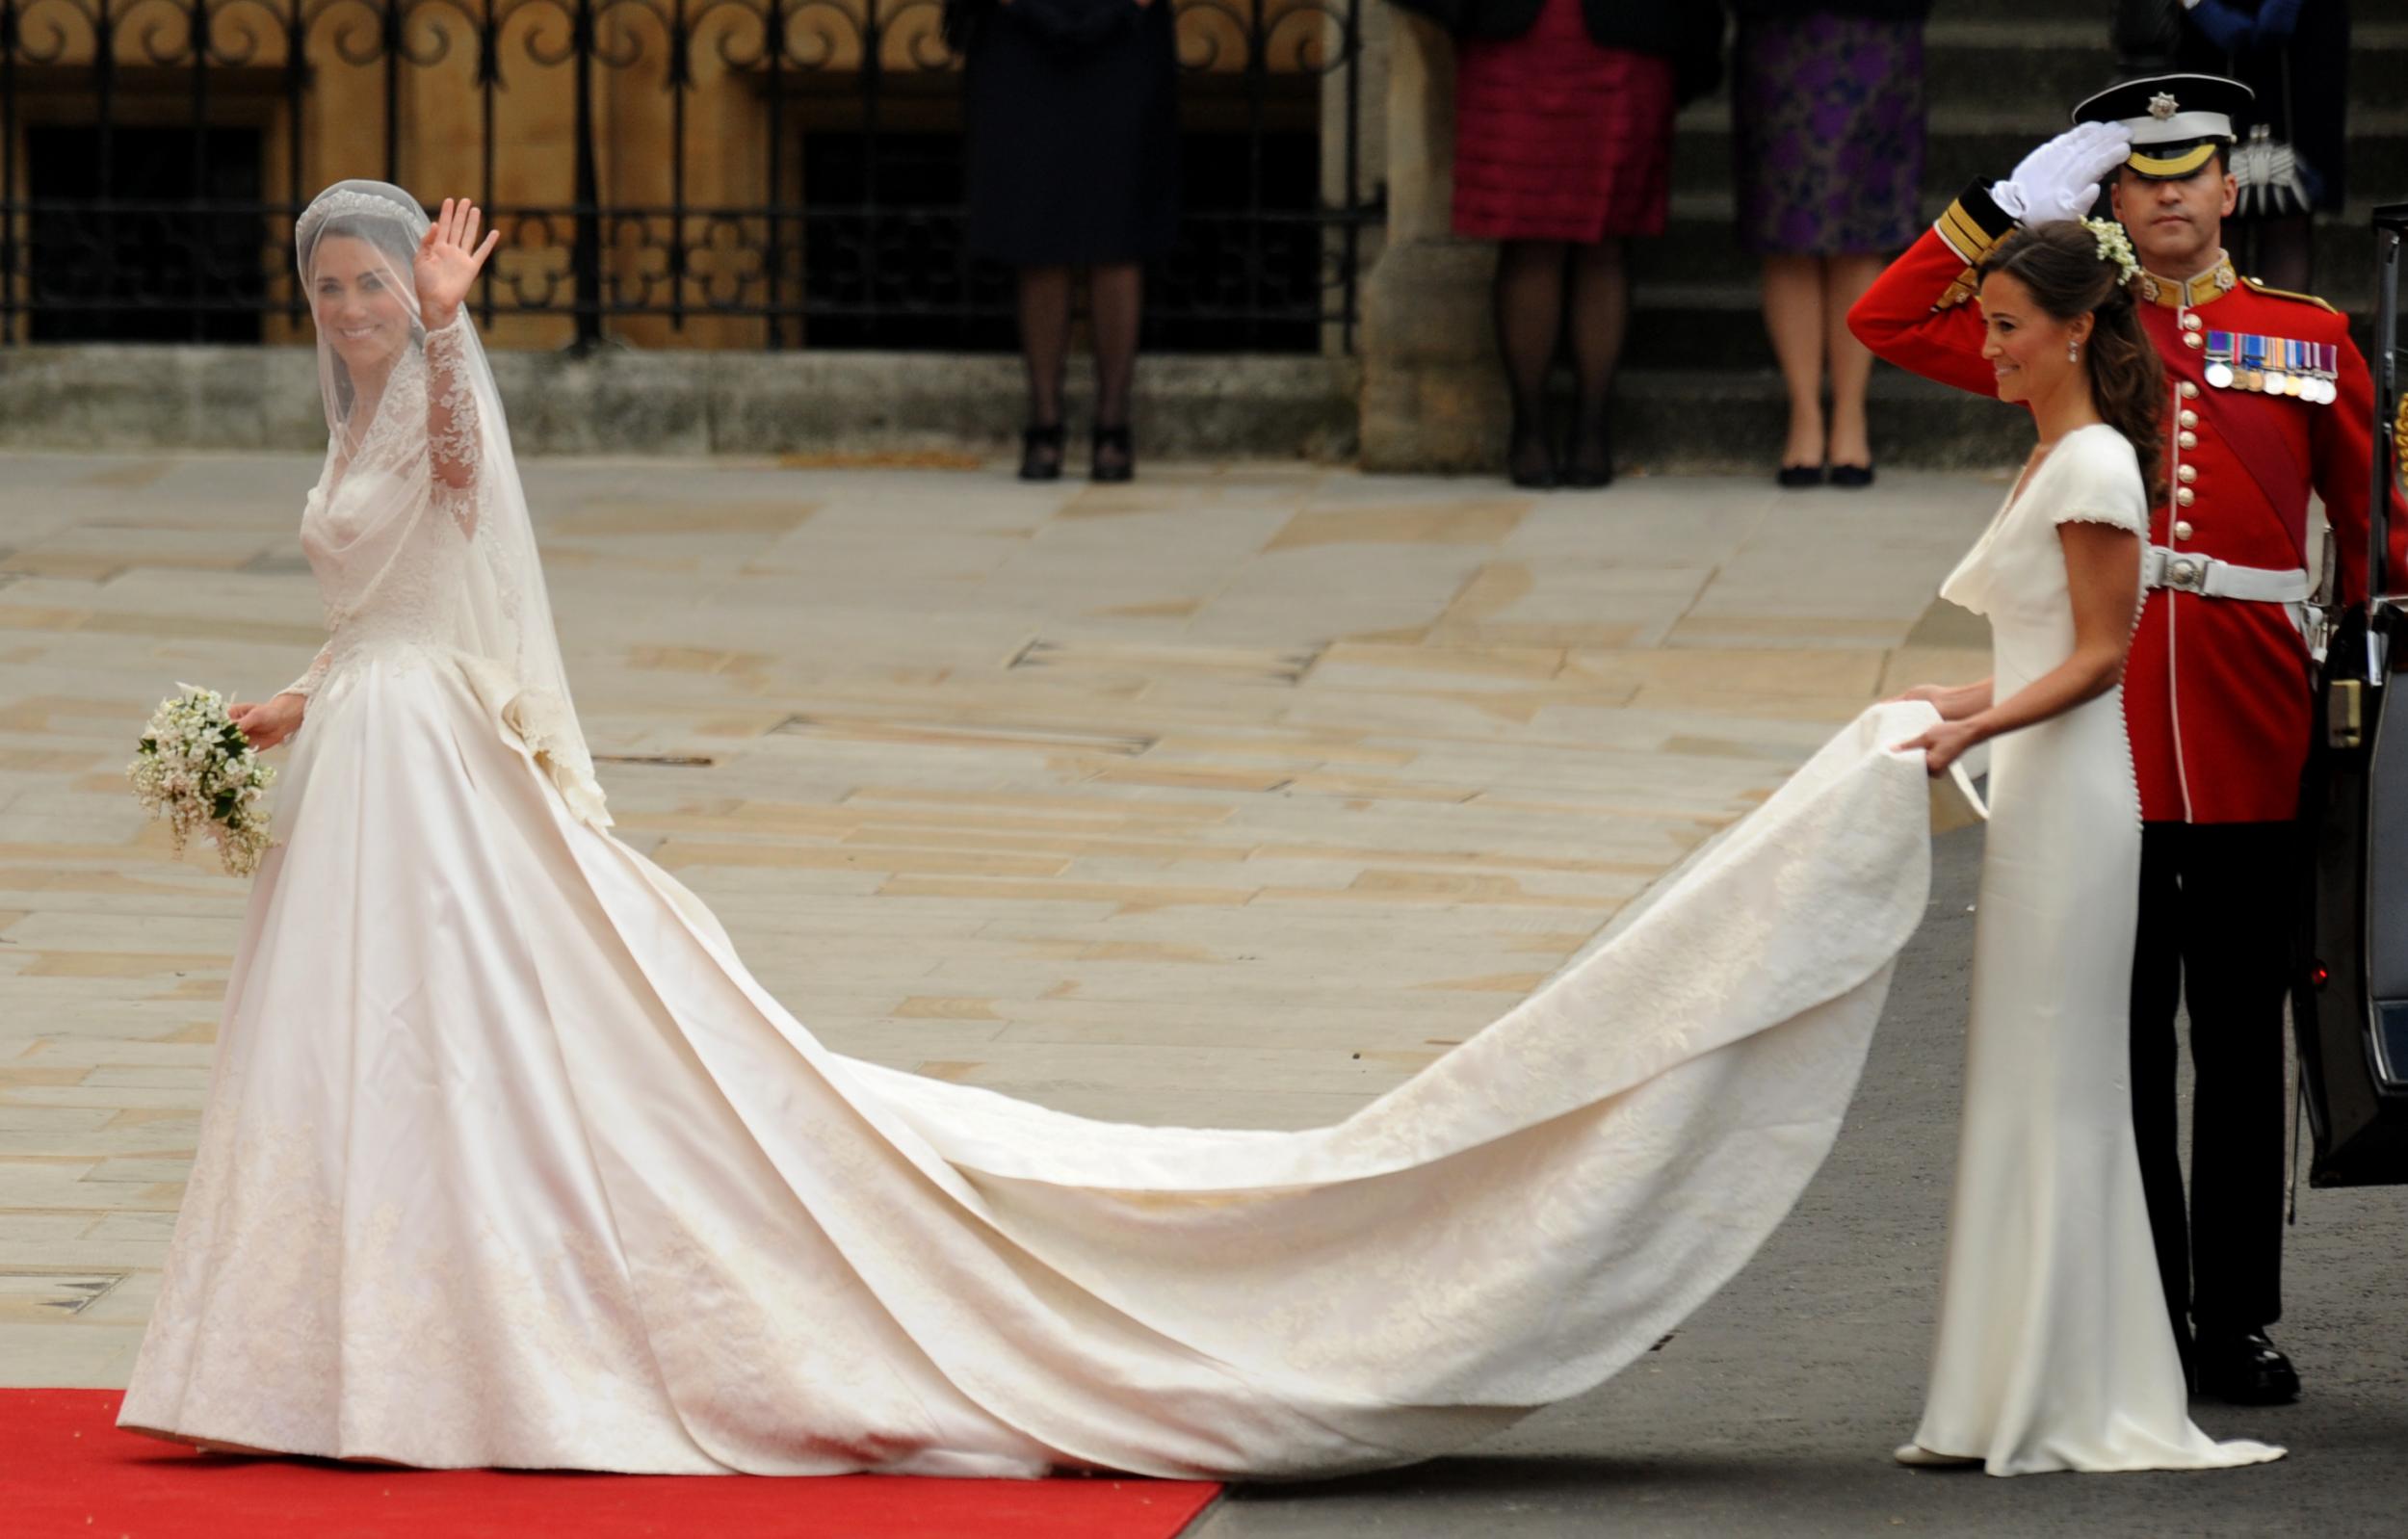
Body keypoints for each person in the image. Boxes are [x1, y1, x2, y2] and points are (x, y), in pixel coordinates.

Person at [114, 183, 1966, 1474]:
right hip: (372, 744)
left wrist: (450, 344)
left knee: (472, 1045)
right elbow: (394, 592)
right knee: (368, 1056)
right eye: (337, 294)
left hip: (437, 785)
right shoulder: (343, 423)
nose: (353, 312)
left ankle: (432, 1334)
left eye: (374, 286)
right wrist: (292, 698)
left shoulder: (430, 391)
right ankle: (324, 1333)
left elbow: (461, 492)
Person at [1850, 73, 2408, 1409]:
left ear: (2232, 186)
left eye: (2192, 168)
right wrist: (1996, 209)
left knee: (2237, 1035)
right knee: (2118, 1036)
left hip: (2250, 721)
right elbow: (1888, 318)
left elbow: (2375, 525)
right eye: (2140, 172)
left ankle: (2234, 1317)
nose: (2168, 192)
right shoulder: (2072, 333)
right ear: (2110, 194)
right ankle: (2144, 1302)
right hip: (2104, 732)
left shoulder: (2313, 336)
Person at [1891, 219, 2279, 1473]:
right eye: (1989, 323)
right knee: (2022, 1075)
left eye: (2007, 327)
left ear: (2075, 330)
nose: (1989, 348)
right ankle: (2007, 1377)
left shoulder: (2099, 462)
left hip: (2079, 801)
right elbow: (2030, 651)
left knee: (2065, 1083)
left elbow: (2101, 660)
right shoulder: (2049, 452)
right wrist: (1936, 711)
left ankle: (2071, 1383)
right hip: (2042, 794)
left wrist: (1974, 736)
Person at [1400, 0, 1723, 488]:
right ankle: (1529, 430)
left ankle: (1592, 429)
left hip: (1626, 42)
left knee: (1606, 242)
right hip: (1519, 43)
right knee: (1530, 238)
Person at [956, 0, 1178, 483]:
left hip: (1125, 38)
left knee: (1117, 227)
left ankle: (1113, 421)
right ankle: (1044, 418)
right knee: (1037, 227)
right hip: (1019, 37)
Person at [1729, 0, 1932, 488]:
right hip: (1781, 36)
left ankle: (1849, 414)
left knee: (1862, 222)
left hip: (1876, 34)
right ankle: (1804, 413)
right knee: (1785, 227)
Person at [2176, 0, 2349, 294]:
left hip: (2302, 43)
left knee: (2289, 208)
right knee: (2213, 205)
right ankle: (2225, 331)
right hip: (2204, 41)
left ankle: (2283, 336)